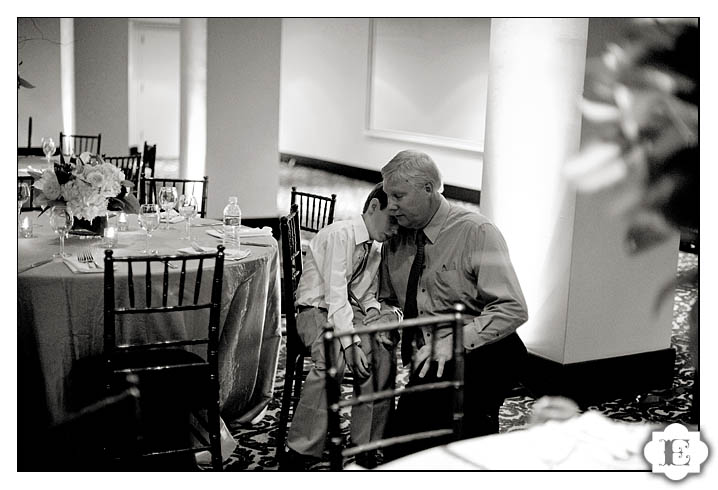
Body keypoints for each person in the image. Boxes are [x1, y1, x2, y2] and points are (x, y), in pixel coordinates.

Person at [370, 149, 529, 459]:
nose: (392, 206)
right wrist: (382, 318)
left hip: (485, 347)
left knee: (456, 435)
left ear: (428, 189)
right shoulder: (397, 236)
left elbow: (512, 308)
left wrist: (454, 341)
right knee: (403, 445)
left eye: (399, 195)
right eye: (389, 196)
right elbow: (390, 300)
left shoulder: (477, 232)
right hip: (431, 353)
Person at [282, 183, 400, 470]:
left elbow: (364, 293)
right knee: (333, 353)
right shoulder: (340, 234)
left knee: (382, 345)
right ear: (373, 207)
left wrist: (373, 313)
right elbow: (335, 295)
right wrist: (351, 345)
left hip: (346, 308)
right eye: (392, 220)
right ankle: (303, 445)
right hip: (314, 310)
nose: (396, 230)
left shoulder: (375, 247)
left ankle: (367, 442)